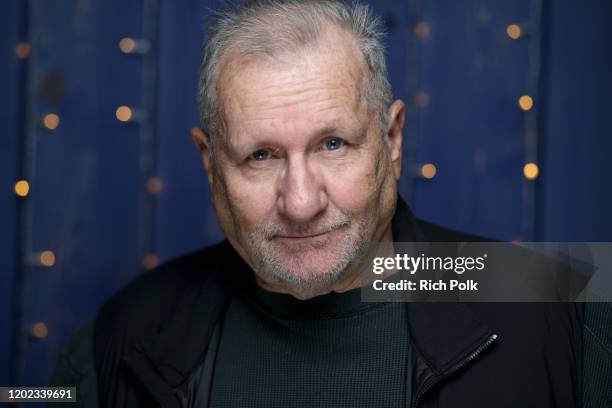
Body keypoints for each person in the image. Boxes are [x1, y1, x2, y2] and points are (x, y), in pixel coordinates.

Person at [93, 1, 584, 407]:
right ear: (209, 162)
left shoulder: (560, 302)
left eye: (332, 144)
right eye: (261, 155)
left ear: (391, 140)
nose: (301, 203)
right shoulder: (127, 329)